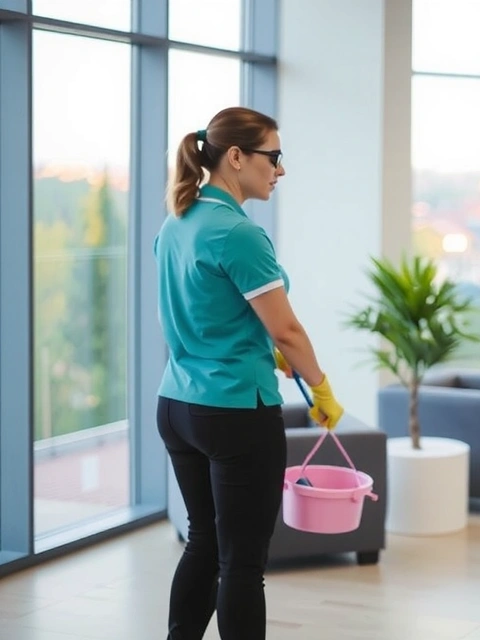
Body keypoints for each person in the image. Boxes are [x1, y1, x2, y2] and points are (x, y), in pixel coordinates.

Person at [154, 106, 344, 640]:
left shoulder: (177, 221)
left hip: (178, 406)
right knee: (241, 562)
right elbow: (288, 330)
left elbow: (203, 312)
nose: (280, 170)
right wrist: (322, 388)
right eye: (273, 157)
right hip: (235, 412)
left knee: (204, 541)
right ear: (236, 157)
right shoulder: (238, 233)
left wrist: (265, 351)